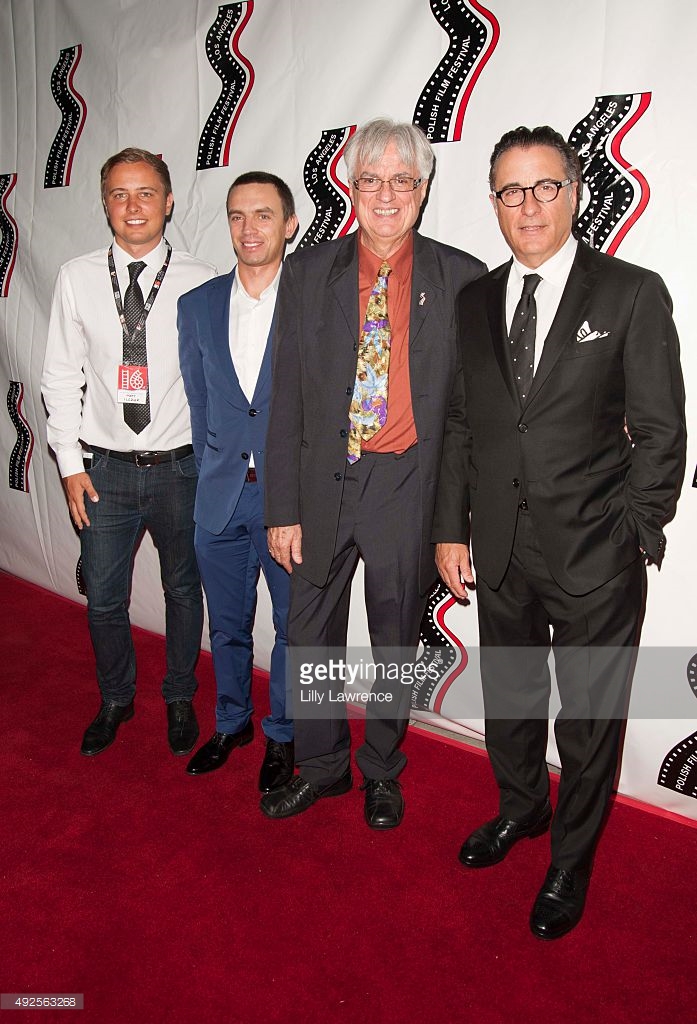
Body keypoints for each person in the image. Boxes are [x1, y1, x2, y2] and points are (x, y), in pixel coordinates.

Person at [434, 125, 686, 938]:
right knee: (509, 699)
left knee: (587, 723)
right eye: (511, 190)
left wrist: (632, 532)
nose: (528, 205)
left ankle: (570, 859)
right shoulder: (476, 299)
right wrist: (450, 529)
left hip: (594, 558)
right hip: (498, 547)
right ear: (495, 203)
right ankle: (520, 811)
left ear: (574, 193)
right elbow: (463, 424)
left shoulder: (629, 292)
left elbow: (661, 431)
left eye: (545, 186)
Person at [261, 117, 487, 829]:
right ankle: (323, 768)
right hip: (325, 481)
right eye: (370, 179)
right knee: (309, 633)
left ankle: (382, 771)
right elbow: (287, 396)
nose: (385, 194)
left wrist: (453, 523)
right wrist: (281, 507)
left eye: (401, 180)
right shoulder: (304, 273)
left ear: (422, 190)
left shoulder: (463, 278)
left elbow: (463, 419)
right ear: (348, 186)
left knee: (395, 638)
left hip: (406, 486)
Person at [42, 147, 216, 758]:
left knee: (183, 591)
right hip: (105, 472)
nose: (133, 206)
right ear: (104, 204)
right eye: (119, 194)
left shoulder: (203, 280)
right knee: (105, 598)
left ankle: (178, 696)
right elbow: (60, 377)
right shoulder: (76, 276)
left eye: (146, 193)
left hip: (183, 469)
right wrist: (68, 465)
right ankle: (115, 697)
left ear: (169, 202)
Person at [177, 172, 298, 792]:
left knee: (293, 627)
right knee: (225, 624)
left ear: (290, 224)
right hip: (220, 496)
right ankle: (231, 723)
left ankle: (283, 733)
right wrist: (210, 475)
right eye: (236, 216)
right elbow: (200, 406)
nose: (249, 229)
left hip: (289, 502)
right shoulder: (196, 305)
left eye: (263, 215)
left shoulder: (312, 300)